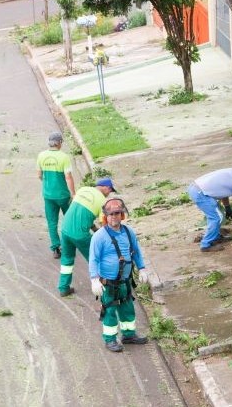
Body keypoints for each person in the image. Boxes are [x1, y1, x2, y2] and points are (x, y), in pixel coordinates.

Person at [88, 197, 151, 352]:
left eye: (117, 213)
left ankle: (129, 335)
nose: (114, 217)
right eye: (111, 214)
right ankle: (110, 339)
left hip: (124, 281)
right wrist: (94, 279)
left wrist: (142, 268)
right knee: (109, 310)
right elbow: (93, 259)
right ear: (105, 217)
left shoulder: (128, 232)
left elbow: (136, 251)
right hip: (108, 282)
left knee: (127, 306)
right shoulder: (99, 236)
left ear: (122, 215)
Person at [57, 178, 117, 297]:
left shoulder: (82, 190)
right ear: (105, 187)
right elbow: (104, 223)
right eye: (110, 190)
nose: (109, 193)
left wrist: (94, 230)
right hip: (80, 234)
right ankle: (107, 289)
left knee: (67, 260)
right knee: (97, 258)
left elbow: (81, 214)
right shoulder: (103, 202)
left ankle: (63, 288)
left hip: (65, 229)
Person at [188, 168, 232, 252]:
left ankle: (216, 237)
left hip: (197, 188)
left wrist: (227, 206)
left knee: (217, 215)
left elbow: (223, 191)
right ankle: (206, 244)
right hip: (200, 192)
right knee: (216, 217)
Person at [37, 132, 76, 261]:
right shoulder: (63, 157)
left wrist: (48, 185)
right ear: (59, 142)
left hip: (48, 196)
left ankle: (55, 248)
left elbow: (39, 175)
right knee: (70, 219)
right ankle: (70, 243)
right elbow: (68, 177)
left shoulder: (41, 156)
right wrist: (73, 193)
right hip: (63, 195)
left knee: (52, 222)